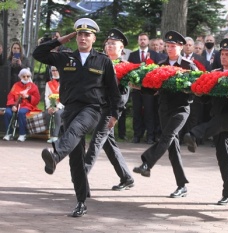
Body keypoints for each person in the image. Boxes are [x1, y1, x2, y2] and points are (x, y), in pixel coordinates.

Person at [33, 18, 122, 217]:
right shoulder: (64, 57)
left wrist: (114, 114)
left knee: (76, 129)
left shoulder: (103, 60)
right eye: (79, 34)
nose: (83, 37)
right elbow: (38, 53)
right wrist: (61, 40)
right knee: (76, 160)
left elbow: (113, 91)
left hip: (92, 108)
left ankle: (55, 156)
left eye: (86, 34)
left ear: (94, 38)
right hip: (70, 108)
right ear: (76, 37)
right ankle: (81, 201)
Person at [183, 38, 228, 205]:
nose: (223, 57)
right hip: (216, 120)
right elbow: (208, 99)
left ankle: (194, 134)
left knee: (222, 121)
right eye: (222, 54)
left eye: (227, 54)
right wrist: (201, 94)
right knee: (223, 157)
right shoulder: (214, 72)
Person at [133, 30, 198, 198]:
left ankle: (147, 163)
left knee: (166, 136)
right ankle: (182, 185)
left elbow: (195, 90)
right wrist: (139, 86)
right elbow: (153, 89)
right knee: (172, 148)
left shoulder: (188, 66)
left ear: (181, 47)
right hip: (164, 109)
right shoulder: (161, 65)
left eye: (173, 46)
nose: (170, 49)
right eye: (168, 46)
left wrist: (186, 89)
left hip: (181, 109)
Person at [84, 28, 134, 191]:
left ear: (121, 49)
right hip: (97, 108)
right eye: (108, 43)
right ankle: (126, 178)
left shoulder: (125, 67)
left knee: (96, 141)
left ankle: (81, 175)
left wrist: (116, 114)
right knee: (109, 144)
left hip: (110, 112)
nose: (109, 46)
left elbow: (122, 96)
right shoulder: (101, 62)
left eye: (114, 44)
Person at [128, 33, 160, 144]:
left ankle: (150, 136)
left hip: (149, 89)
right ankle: (137, 135)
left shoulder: (155, 55)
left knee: (149, 112)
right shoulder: (132, 55)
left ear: (148, 41)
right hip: (136, 89)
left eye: (144, 39)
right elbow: (129, 70)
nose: (142, 41)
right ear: (138, 41)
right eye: (140, 39)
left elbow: (158, 72)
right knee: (136, 112)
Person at [3, 68, 40, 142]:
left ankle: (22, 134)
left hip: (26, 105)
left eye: (28, 76)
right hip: (14, 105)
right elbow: (10, 96)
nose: (26, 78)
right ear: (20, 77)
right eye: (24, 76)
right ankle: (8, 133)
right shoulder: (15, 85)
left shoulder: (33, 86)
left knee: (22, 113)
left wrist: (28, 97)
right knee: (7, 112)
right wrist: (12, 105)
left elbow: (37, 99)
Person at [44, 66, 64, 143]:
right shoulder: (48, 84)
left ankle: (55, 135)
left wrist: (58, 107)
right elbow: (46, 96)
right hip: (52, 106)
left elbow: (65, 97)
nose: (54, 72)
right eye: (53, 70)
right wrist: (49, 107)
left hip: (62, 106)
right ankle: (51, 135)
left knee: (58, 114)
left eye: (56, 70)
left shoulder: (64, 82)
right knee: (46, 114)